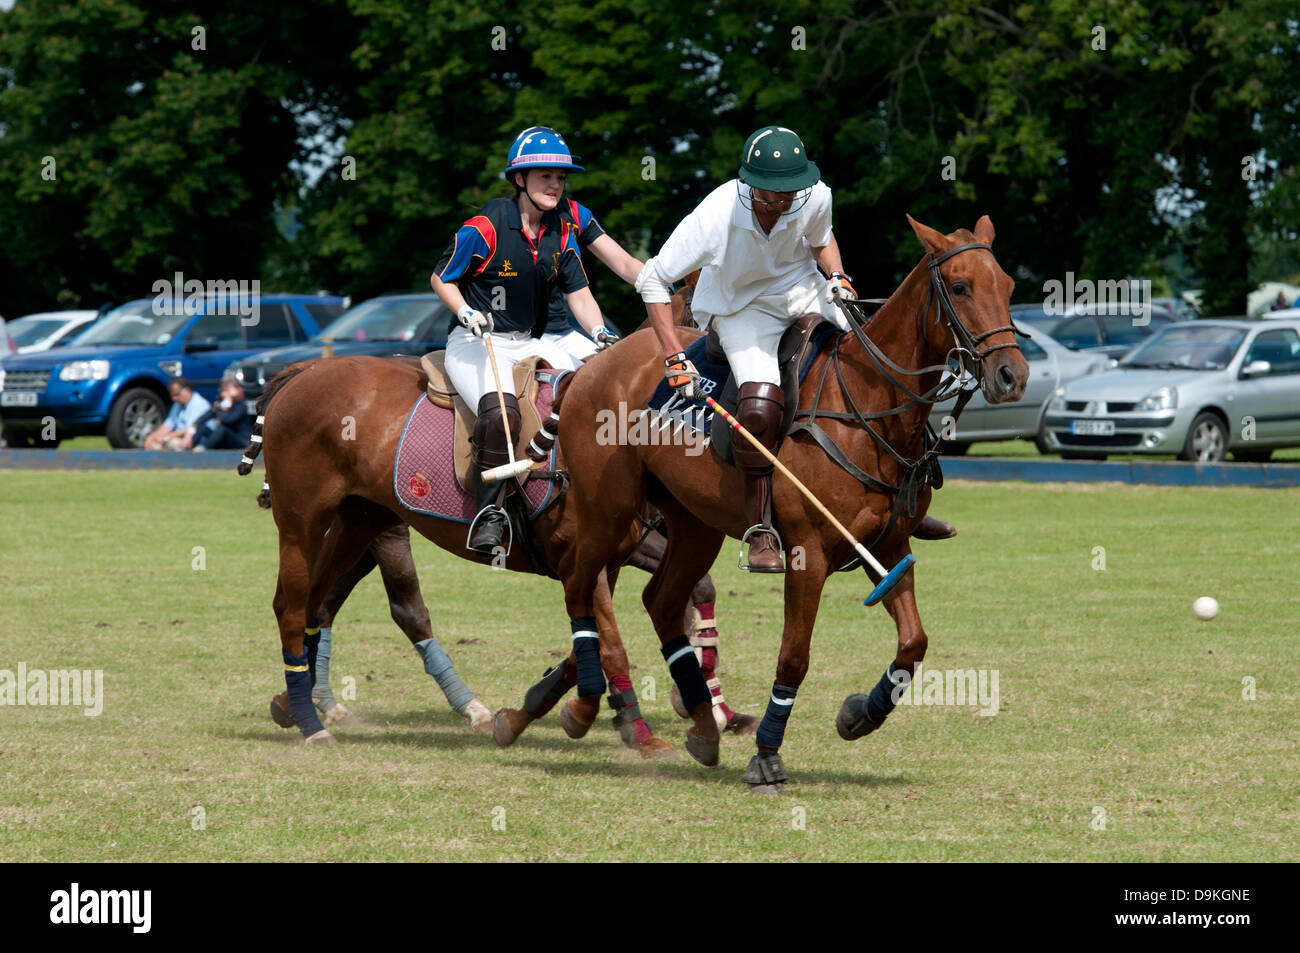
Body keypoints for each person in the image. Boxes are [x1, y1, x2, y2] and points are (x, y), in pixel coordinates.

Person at [634, 125, 953, 572]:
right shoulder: (716, 215)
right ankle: (761, 526)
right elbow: (650, 279)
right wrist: (673, 355)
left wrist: (837, 275)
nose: (784, 203)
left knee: (884, 368)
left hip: (802, 289)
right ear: (749, 184)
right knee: (760, 405)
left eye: (791, 193)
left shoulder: (814, 194)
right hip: (740, 308)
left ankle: (907, 497)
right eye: (774, 195)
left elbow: (821, 239)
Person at [430, 125, 616, 553]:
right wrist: (465, 311)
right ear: (519, 179)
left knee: (607, 384)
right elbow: (441, 277)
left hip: (538, 341)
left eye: (561, 177)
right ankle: (489, 513)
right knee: (500, 415)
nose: (555, 185)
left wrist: (600, 331)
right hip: (479, 341)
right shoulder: (486, 225)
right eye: (544, 176)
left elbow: (580, 295)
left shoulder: (562, 229)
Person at [143, 378, 211, 451]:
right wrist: (152, 437)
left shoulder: (199, 404)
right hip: (177, 438)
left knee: (171, 444)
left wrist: (166, 437)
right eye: (172, 396)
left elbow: (190, 428)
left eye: (176, 394)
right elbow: (168, 425)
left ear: (187, 390)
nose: (174, 398)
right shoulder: (177, 404)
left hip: (195, 441)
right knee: (153, 444)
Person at [190, 378, 252, 451]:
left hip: (241, 442)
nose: (224, 394)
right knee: (203, 428)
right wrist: (192, 429)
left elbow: (225, 419)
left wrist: (227, 402)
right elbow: (203, 418)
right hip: (224, 441)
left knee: (222, 429)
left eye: (227, 391)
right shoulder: (221, 405)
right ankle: (189, 446)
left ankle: (203, 448)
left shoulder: (241, 406)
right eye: (223, 391)